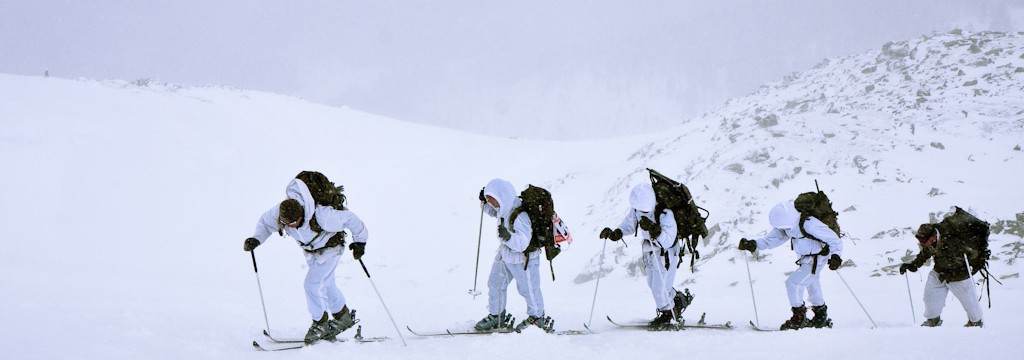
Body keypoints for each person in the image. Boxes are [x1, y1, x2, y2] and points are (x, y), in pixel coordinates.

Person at [243, 177, 369, 344]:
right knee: (326, 283)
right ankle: (343, 315)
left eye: (292, 223)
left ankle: (320, 323)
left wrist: (360, 242)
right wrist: (257, 239)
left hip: (331, 248)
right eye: (284, 223)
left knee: (311, 284)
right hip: (311, 251)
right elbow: (265, 223)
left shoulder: (323, 216)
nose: (288, 226)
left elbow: (351, 219)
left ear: (301, 216)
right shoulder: (281, 213)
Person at [738, 200, 843, 330]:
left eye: (783, 227)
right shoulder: (788, 226)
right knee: (812, 284)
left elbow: (834, 239)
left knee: (793, 283)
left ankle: (799, 318)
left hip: (817, 259)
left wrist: (836, 256)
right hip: (806, 260)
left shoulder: (809, 224)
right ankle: (820, 317)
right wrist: (753, 244)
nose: (783, 230)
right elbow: (772, 239)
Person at [599, 183, 692, 329]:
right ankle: (677, 301)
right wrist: (617, 233)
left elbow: (668, 240)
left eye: (644, 209)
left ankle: (669, 313)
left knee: (659, 287)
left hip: (665, 253)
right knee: (652, 283)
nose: (642, 212)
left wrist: (655, 230)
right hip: (649, 251)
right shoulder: (637, 209)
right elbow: (629, 224)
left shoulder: (665, 213)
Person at [473, 178, 552, 332]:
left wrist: (508, 237)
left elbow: (522, 243)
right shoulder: (504, 206)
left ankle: (537, 317)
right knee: (495, 283)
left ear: (501, 196)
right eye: (489, 200)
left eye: (492, 200)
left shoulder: (520, 215)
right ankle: (497, 316)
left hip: (523, 259)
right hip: (505, 255)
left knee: (528, 289)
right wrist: (483, 202)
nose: (491, 203)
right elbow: (493, 211)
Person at [899, 223, 984, 327]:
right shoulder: (930, 243)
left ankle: (976, 322)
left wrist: (971, 254)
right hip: (939, 273)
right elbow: (925, 253)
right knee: (930, 296)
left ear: (933, 236)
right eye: (921, 241)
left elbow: (973, 253)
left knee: (969, 301)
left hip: (958, 275)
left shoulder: (953, 238)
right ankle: (933, 320)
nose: (922, 244)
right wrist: (913, 265)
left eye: (924, 241)